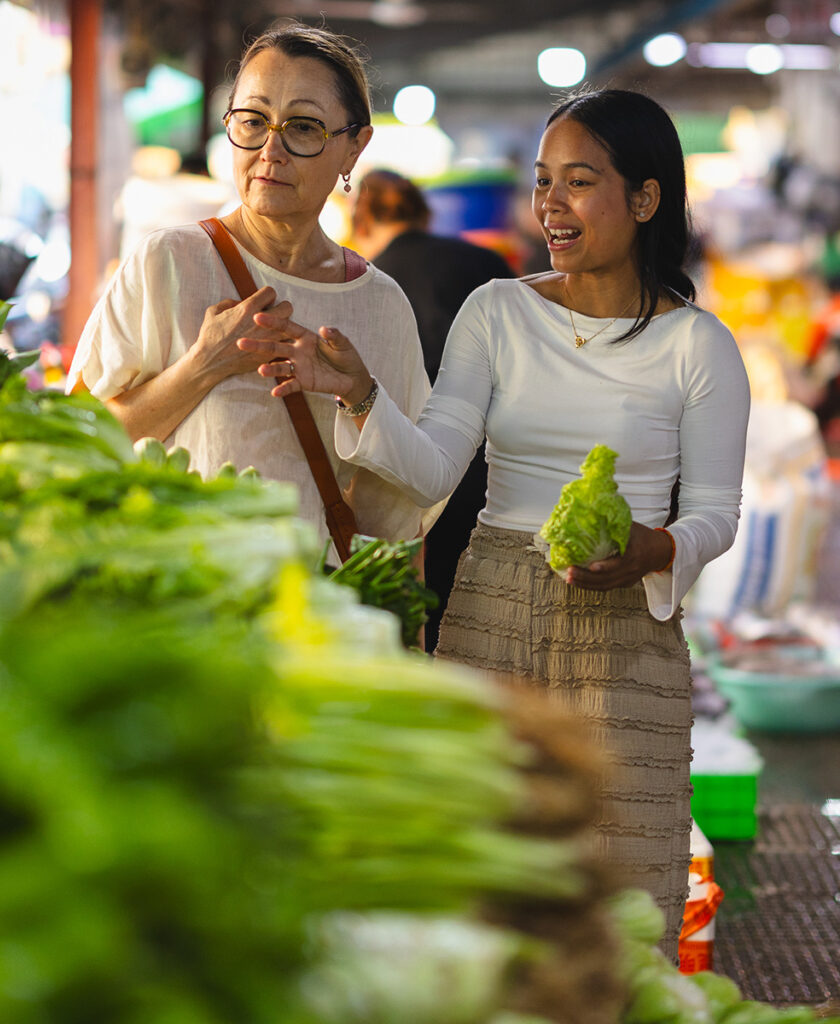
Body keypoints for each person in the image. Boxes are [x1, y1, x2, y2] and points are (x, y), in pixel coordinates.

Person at [238, 88, 752, 957]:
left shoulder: (698, 346)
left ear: (645, 197)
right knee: (483, 902)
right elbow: (436, 466)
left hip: (626, 636)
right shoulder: (498, 311)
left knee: (619, 913)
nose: (549, 204)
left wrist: (652, 549)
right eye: (543, 180)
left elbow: (715, 515)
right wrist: (360, 394)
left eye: (579, 182)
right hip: (489, 610)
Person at [66, 21, 438, 564]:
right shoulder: (168, 263)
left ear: (354, 148)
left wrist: (406, 632)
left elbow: (398, 512)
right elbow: (80, 440)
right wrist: (200, 367)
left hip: (314, 616)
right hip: (179, 600)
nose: (271, 149)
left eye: (304, 128)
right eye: (253, 120)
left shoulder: (380, 305)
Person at [351, 169, 515, 650]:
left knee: (424, 614)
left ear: (361, 219)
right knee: (492, 616)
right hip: (493, 466)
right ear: (423, 213)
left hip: (405, 468)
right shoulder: (484, 262)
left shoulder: (362, 282)